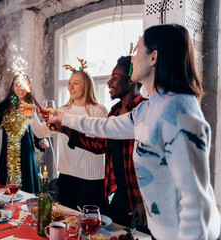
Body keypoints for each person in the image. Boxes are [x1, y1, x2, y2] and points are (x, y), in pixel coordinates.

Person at [44, 24, 221, 239]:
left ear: (154, 57)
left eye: (137, 50)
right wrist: (62, 117)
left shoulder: (178, 111)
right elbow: (104, 127)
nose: (133, 58)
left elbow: (195, 201)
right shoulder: (147, 109)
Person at [55, 56, 148, 230]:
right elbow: (100, 145)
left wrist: (148, 201)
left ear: (131, 80)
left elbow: (161, 164)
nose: (109, 82)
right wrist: (65, 130)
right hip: (122, 196)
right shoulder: (114, 111)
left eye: (115, 78)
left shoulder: (146, 110)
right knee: (104, 232)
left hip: (143, 200)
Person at [30, 69, 108, 211]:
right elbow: (42, 132)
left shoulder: (98, 111)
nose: (70, 87)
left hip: (91, 181)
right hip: (66, 178)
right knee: (65, 223)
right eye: (69, 83)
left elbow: (97, 145)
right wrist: (32, 115)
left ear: (87, 86)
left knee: (89, 227)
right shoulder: (61, 110)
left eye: (76, 83)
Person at [0, 75, 48, 194]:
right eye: (16, 85)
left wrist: (41, 142)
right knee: (5, 193)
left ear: (28, 86)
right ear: (12, 87)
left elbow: (38, 131)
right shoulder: (5, 106)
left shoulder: (33, 106)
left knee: (27, 194)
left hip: (26, 156)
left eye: (22, 84)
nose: (20, 88)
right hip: (8, 155)